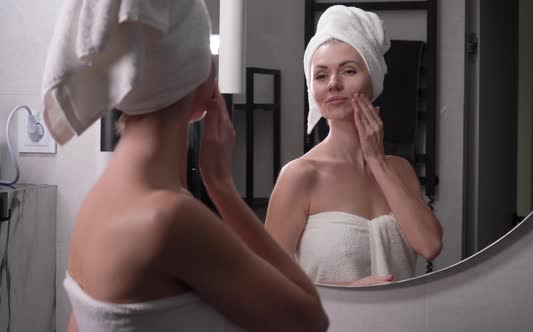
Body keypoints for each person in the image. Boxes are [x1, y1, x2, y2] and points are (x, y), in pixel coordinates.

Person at [41, 1, 328, 331]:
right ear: (198, 76)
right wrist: (222, 186)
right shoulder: (170, 219)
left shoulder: (96, 203)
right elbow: (310, 320)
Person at [265, 5, 443, 286]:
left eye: (348, 71)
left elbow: (430, 245)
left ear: (373, 79)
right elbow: (268, 284)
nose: (334, 83)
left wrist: (377, 162)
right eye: (321, 75)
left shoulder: (399, 169)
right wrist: (348, 292)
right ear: (313, 90)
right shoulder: (300, 176)